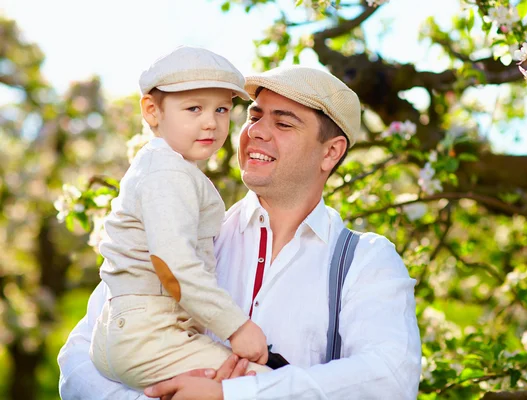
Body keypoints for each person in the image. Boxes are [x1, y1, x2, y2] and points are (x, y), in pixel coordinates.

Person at [58, 65, 422, 400]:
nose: (256, 131)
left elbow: (390, 378)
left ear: (331, 152)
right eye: (254, 115)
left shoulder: (365, 261)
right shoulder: (188, 227)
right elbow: (78, 361)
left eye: (283, 123)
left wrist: (235, 395)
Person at [88, 46, 270, 390]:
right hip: (150, 334)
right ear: (152, 111)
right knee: (266, 388)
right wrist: (237, 327)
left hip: (127, 329)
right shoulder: (168, 172)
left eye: (221, 109)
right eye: (194, 108)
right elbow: (173, 264)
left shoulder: (162, 165)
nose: (211, 122)